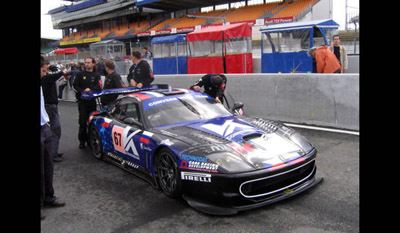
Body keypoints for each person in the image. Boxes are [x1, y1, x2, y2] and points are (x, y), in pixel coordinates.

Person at [41, 56, 66, 221]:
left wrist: (46, 122)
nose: (44, 74)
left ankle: (49, 197)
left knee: (48, 165)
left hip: (44, 126)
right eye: (43, 70)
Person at [73, 57, 102, 149]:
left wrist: (91, 90)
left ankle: (91, 140)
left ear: (93, 64)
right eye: (85, 62)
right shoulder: (80, 74)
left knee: (91, 121)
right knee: (82, 121)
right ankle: (82, 140)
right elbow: (75, 85)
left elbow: (99, 86)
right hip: (82, 101)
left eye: (89, 62)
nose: (87, 64)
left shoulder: (96, 75)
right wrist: (83, 91)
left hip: (91, 101)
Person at [41, 63, 65, 162]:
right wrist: (56, 69)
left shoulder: (47, 77)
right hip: (49, 106)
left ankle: (53, 151)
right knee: (55, 130)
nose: (45, 73)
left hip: (51, 105)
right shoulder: (45, 78)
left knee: (53, 130)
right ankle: (52, 153)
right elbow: (59, 74)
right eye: (44, 70)